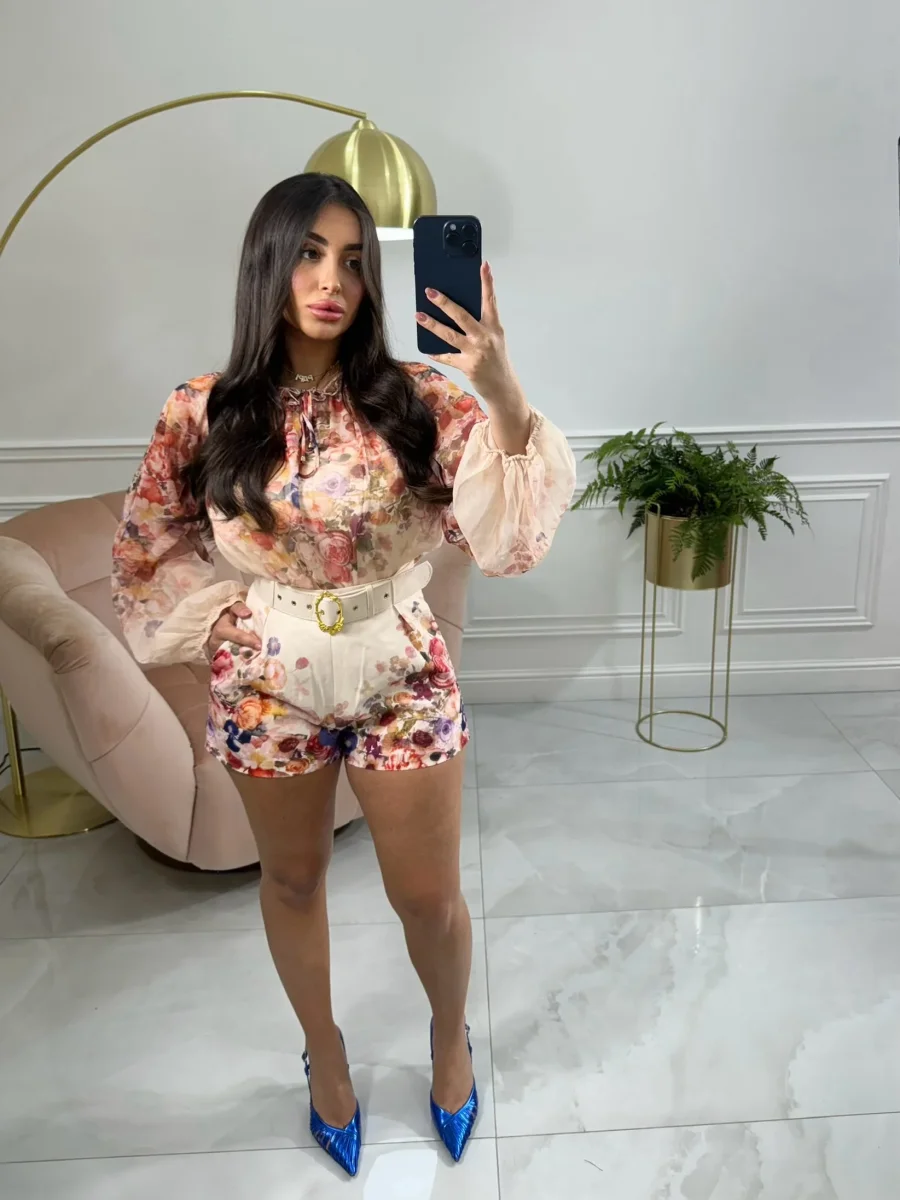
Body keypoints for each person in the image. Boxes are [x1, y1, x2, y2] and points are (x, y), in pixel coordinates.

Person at [111, 172, 576, 1177]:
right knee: (291, 878)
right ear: (267, 266)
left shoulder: (419, 399)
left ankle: (448, 1040)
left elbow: (506, 537)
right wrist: (220, 620)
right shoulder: (204, 408)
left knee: (428, 898)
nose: (332, 282)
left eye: (356, 262)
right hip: (266, 679)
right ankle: (324, 1056)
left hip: (399, 665)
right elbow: (149, 538)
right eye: (310, 255)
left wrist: (500, 385)